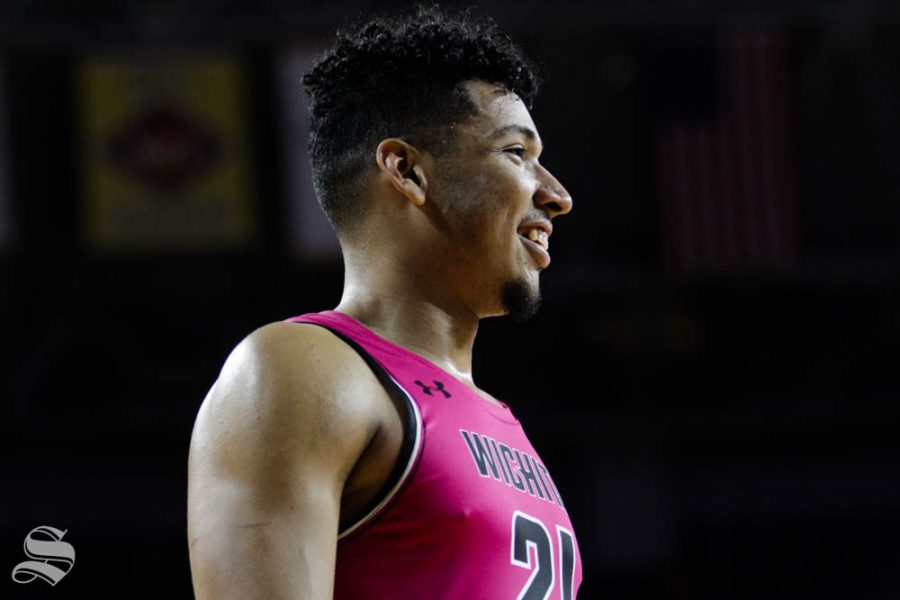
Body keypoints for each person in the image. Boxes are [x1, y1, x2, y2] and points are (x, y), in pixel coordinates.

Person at [187, 6, 581, 598]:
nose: (557, 195)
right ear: (406, 171)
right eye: (516, 153)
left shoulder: (500, 419)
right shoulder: (299, 369)